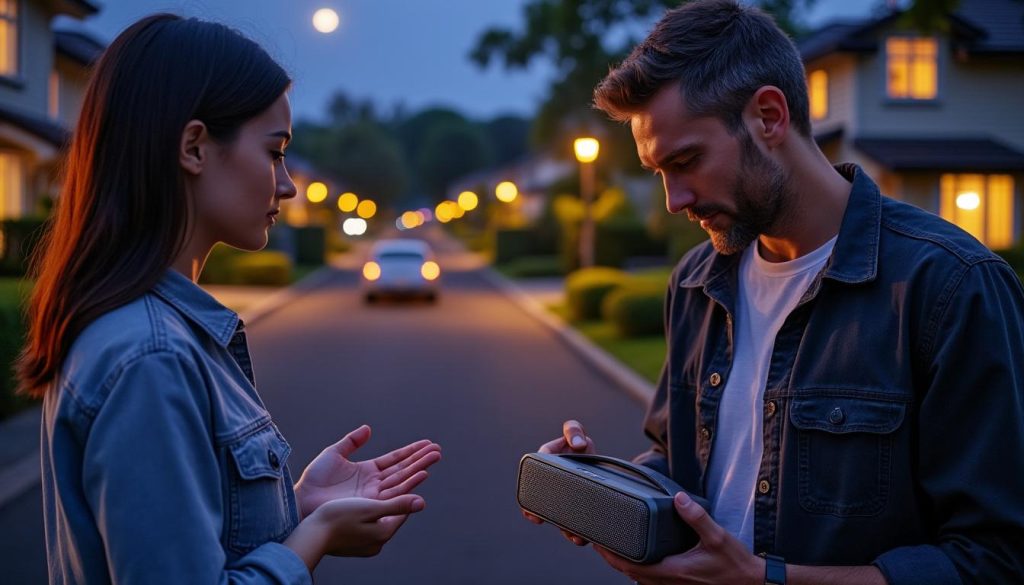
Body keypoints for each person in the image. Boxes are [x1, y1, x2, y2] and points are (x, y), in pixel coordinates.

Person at [527, 1, 1024, 584]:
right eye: (659, 173)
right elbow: (682, 465)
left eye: (686, 161)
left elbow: (995, 560)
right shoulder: (695, 282)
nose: (674, 200)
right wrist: (609, 489)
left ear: (769, 116)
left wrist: (765, 579)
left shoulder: (951, 287)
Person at [18, 14, 441, 584]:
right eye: (274, 152)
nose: (287, 184)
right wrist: (315, 536)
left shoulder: (150, 332)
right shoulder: (152, 356)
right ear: (194, 147)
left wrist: (296, 506)